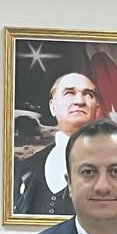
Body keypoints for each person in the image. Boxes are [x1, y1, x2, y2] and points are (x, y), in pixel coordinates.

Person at [14, 72, 105, 217]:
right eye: (69, 93)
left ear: (97, 108)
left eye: (88, 94)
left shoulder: (113, 164)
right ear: (53, 107)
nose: (79, 101)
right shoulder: (27, 168)